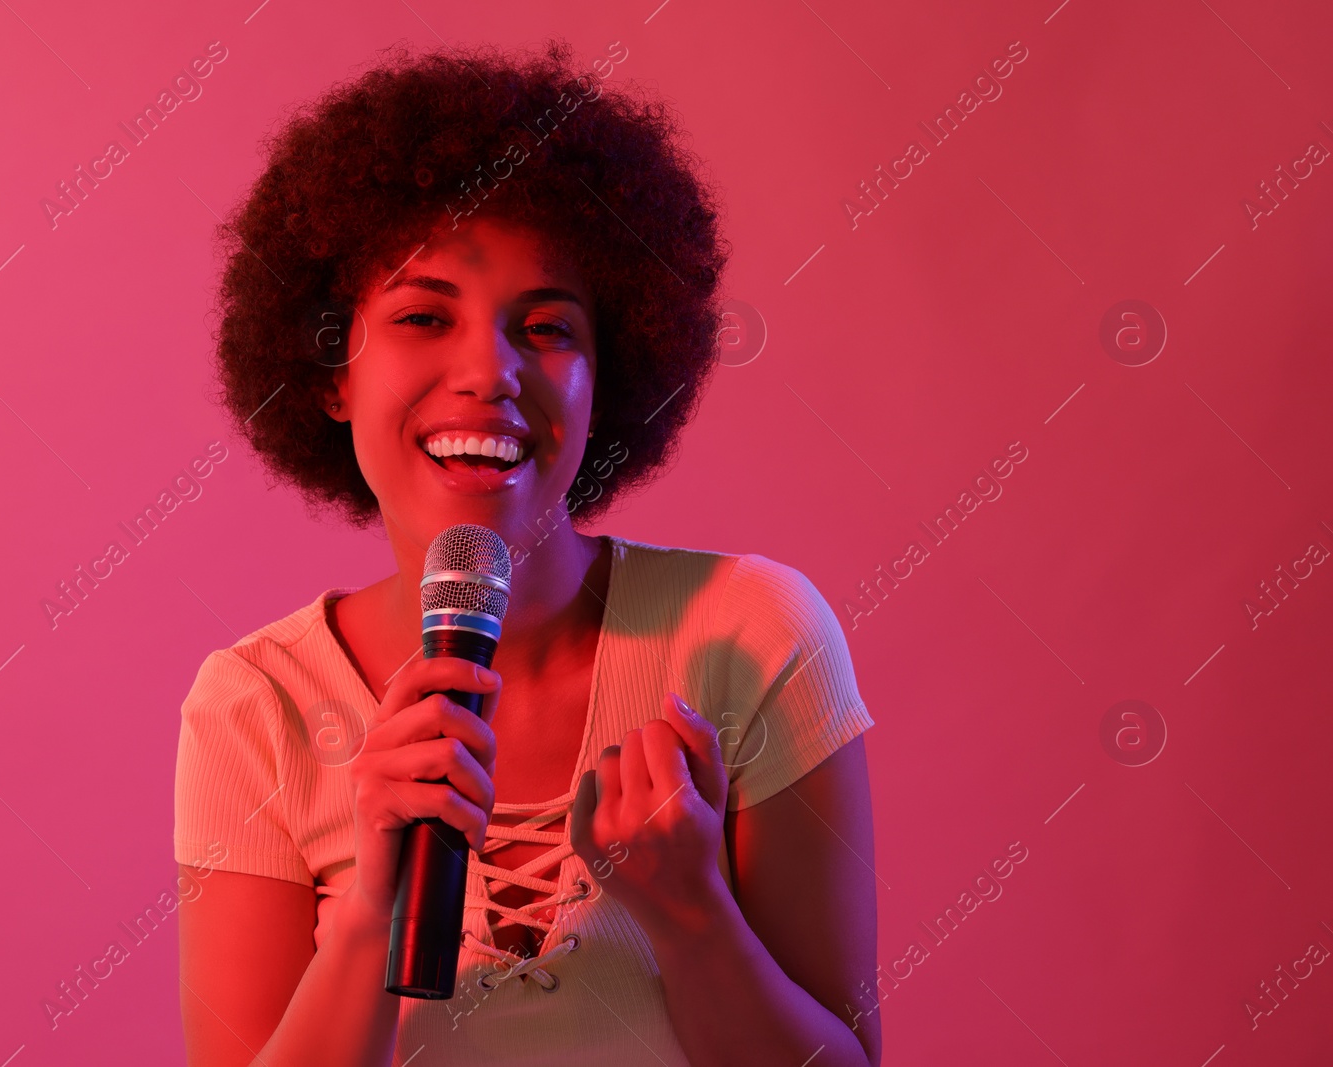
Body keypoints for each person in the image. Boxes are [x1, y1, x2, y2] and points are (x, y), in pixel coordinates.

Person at [174, 40, 880, 1067]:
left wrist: (690, 915)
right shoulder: (254, 706)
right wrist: (373, 903)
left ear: (611, 376)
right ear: (330, 374)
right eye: (423, 316)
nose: (489, 372)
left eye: (545, 327)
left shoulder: (751, 632)